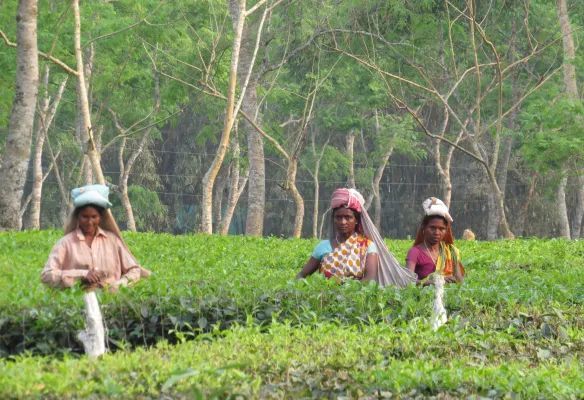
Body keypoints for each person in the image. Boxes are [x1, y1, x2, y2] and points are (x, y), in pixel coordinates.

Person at [297, 188, 417, 287]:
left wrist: (344, 290)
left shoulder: (368, 246)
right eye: (338, 217)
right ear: (333, 219)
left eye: (348, 217)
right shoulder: (322, 247)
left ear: (356, 220)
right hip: (324, 300)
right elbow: (302, 275)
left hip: (355, 302)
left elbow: (369, 280)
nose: (343, 222)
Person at [41, 184, 150, 290]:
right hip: (77, 300)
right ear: (77, 217)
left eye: (94, 217)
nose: (89, 222)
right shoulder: (66, 243)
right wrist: (81, 275)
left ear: (100, 218)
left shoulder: (112, 240)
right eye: (85, 217)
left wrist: (121, 283)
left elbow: (134, 270)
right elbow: (47, 275)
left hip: (112, 300)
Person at [406, 197, 464, 285]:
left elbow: (460, 281)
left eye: (441, 229)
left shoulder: (451, 251)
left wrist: (451, 280)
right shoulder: (415, 252)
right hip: (423, 297)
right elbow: (407, 281)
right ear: (424, 228)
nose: (437, 232)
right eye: (432, 228)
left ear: (446, 230)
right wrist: (431, 283)